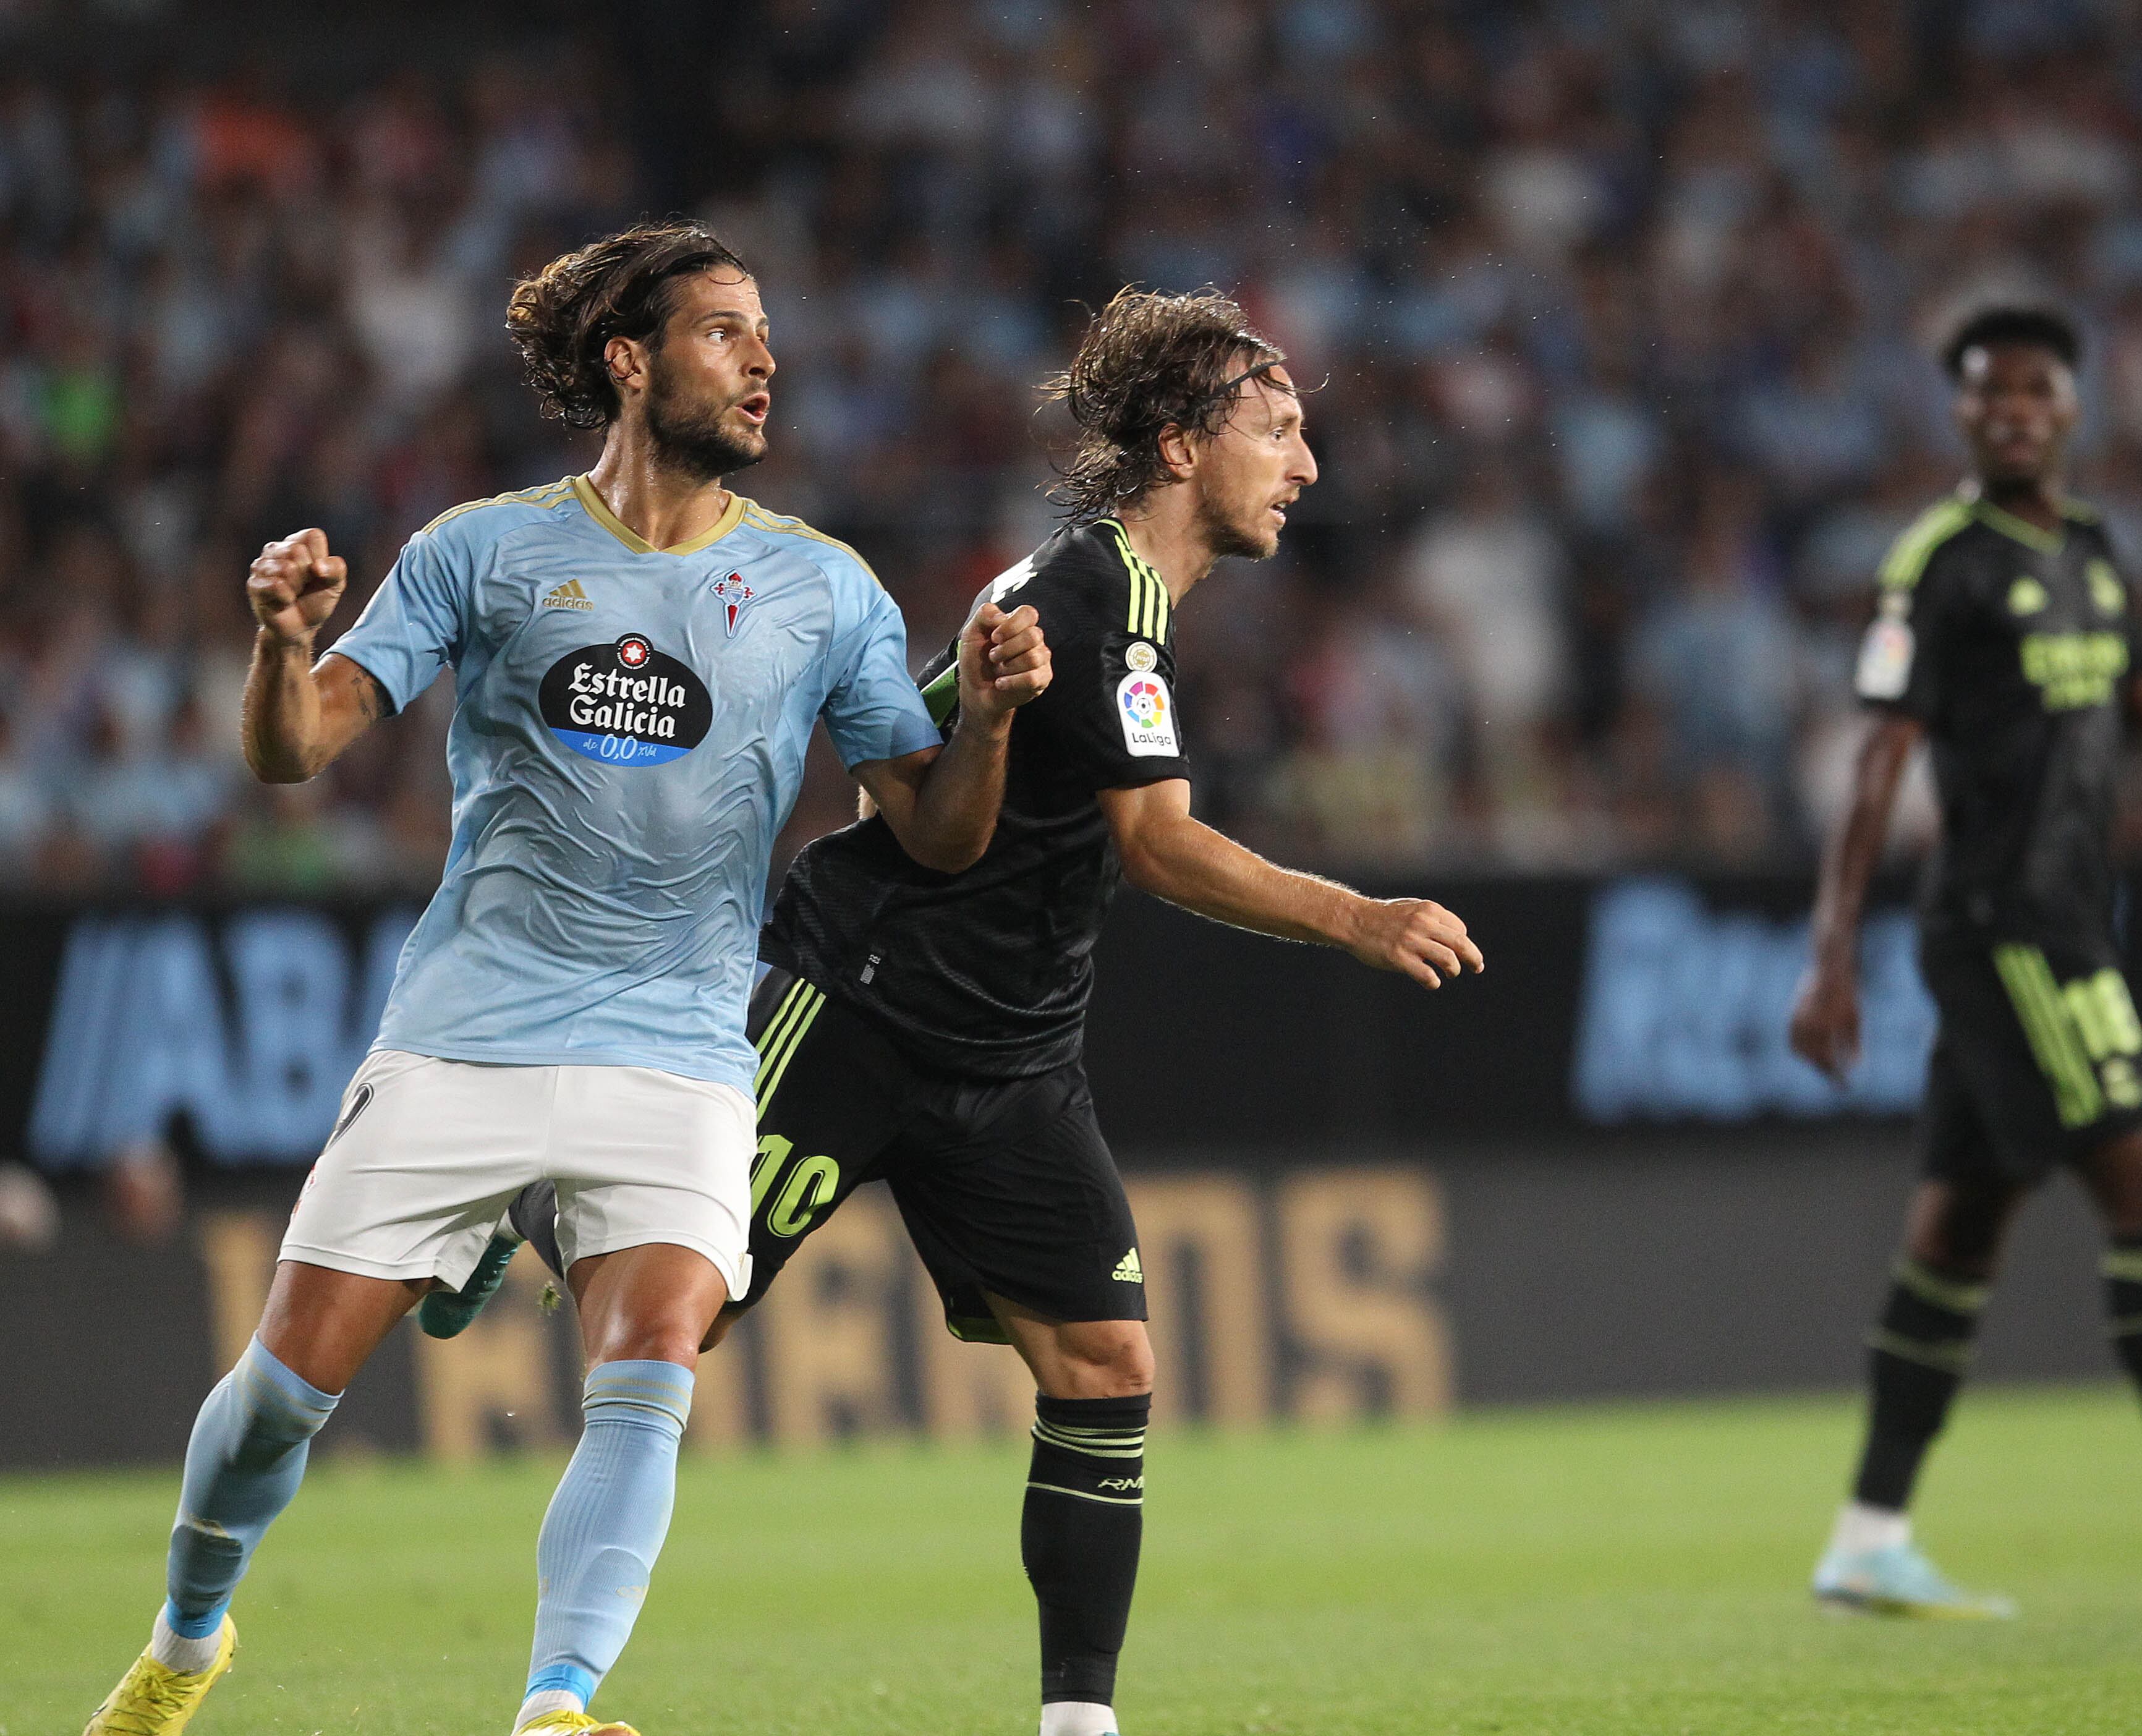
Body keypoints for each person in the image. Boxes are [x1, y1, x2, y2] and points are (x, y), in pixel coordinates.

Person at [438, 285, 1483, 1736]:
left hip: (1012, 1052)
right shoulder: (1090, 591)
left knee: (1108, 1366)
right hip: (860, 1006)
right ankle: (531, 1202)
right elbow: (1160, 843)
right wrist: (1357, 916)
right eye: (1281, 430)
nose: (1307, 466)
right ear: (1182, 447)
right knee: (673, 1319)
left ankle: (1078, 1721)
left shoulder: (1126, 603)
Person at [83, 221, 1051, 1736]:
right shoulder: (481, 550)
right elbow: (296, 749)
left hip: (675, 1050)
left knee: (654, 1357)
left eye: (765, 337)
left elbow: (932, 834)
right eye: (726, 331)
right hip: (469, 1034)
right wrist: (280, 646)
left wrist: (984, 724)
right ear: (630, 357)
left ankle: (557, 1703)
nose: (763, 360)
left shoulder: (824, 590)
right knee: (284, 1398)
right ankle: (188, 1637)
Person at [1788, 306, 2142, 1617]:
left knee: (1959, 1233)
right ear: (1963, 417)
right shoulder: (1940, 560)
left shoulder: (2095, 551)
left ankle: (1868, 1536)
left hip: (2068, 918)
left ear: (2073, 411)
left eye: (2036, 394)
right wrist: (1830, 955)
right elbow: (1881, 758)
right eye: (1989, 397)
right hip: (2008, 923)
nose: (2014, 414)